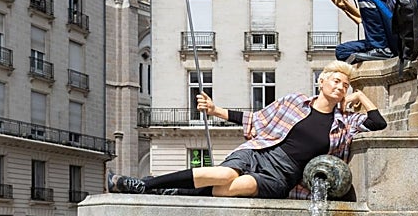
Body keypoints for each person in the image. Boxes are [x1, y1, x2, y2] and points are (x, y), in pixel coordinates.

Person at [106, 61, 386, 199]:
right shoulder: (294, 102)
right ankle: (144, 184)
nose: (340, 87)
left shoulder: (343, 124)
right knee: (224, 174)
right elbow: (257, 118)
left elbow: (377, 122)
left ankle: (164, 192)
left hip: (283, 176)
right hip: (261, 153)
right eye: (336, 81)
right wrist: (216, 111)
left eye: (345, 85)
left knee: (226, 190)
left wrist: (360, 97)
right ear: (322, 81)